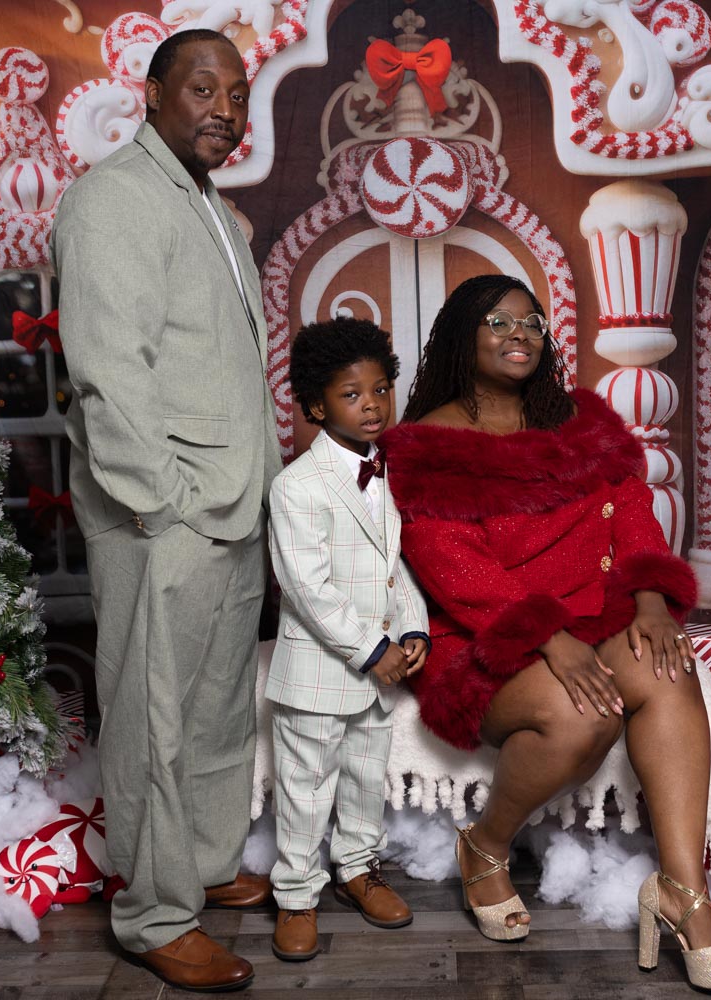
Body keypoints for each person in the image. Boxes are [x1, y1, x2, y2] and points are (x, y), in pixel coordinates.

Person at [378, 274, 711, 991]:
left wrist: (649, 600)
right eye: (498, 322)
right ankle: (485, 847)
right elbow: (454, 569)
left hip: (595, 612)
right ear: (462, 336)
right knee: (584, 717)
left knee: (665, 667)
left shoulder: (579, 419)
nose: (519, 334)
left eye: (532, 322)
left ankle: (684, 895)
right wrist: (548, 636)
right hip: (483, 635)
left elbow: (631, 507)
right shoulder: (427, 446)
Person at [51, 28, 279, 993]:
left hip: (234, 503)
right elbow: (111, 375)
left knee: (219, 708)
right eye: (202, 89)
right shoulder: (113, 199)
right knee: (155, 718)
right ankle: (152, 912)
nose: (225, 109)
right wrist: (164, 505)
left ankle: (207, 863)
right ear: (151, 93)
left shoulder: (213, 209)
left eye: (237, 94)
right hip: (166, 512)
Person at [265, 318, 430, 961]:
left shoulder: (388, 474)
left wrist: (412, 626)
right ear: (315, 406)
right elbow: (306, 588)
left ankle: (359, 869)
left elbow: (396, 566)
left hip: (377, 676)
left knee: (364, 779)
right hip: (320, 672)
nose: (372, 405)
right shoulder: (296, 486)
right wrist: (373, 650)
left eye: (381, 389)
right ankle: (296, 895)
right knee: (306, 788)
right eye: (352, 394)